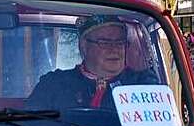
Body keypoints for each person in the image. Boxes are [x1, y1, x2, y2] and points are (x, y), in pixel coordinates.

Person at [27, 18, 156, 113]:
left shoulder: (143, 83)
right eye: (105, 42)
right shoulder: (54, 84)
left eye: (120, 42)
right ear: (84, 46)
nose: (114, 49)